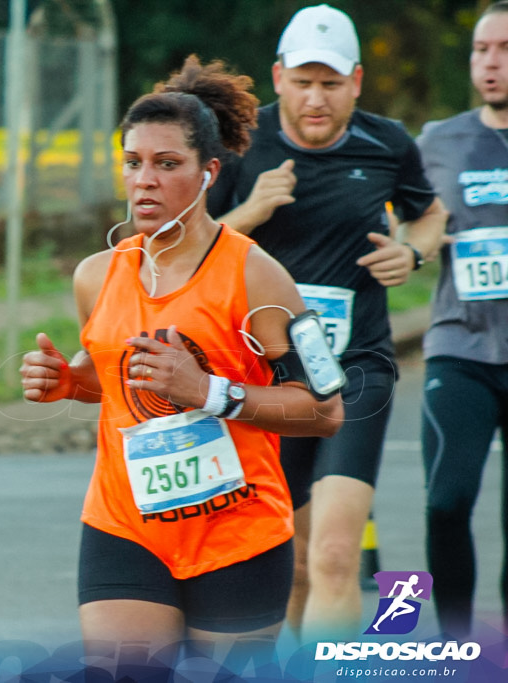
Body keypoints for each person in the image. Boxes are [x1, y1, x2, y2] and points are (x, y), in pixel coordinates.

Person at [19, 55, 343, 670]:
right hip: (126, 526)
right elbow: (120, 383)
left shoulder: (258, 275)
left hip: (237, 534)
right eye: (133, 163)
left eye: (167, 165)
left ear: (207, 174)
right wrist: (70, 383)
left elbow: (326, 410)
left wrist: (212, 392)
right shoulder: (96, 276)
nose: (145, 180)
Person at [206, 4, 447, 640]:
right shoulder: (235, 144)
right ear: (279, 76)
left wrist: (413, 251)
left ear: (357, 82)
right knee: (292, 564)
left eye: (332, 84)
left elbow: (430, 214)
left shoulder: (388, 142)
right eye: (304, 82)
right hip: (264, 378)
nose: (317, 99)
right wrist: (249, 213)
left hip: (356, 369)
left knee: (337, 557)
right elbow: (185, 248)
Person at [416, 1, 508, 639]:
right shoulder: (437, 141)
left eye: (504, 49)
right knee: (446, 502)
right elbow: (411, 225)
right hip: (462, 346)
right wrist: (414, 242)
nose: (491, 62)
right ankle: (456, 646)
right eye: (481, 49)